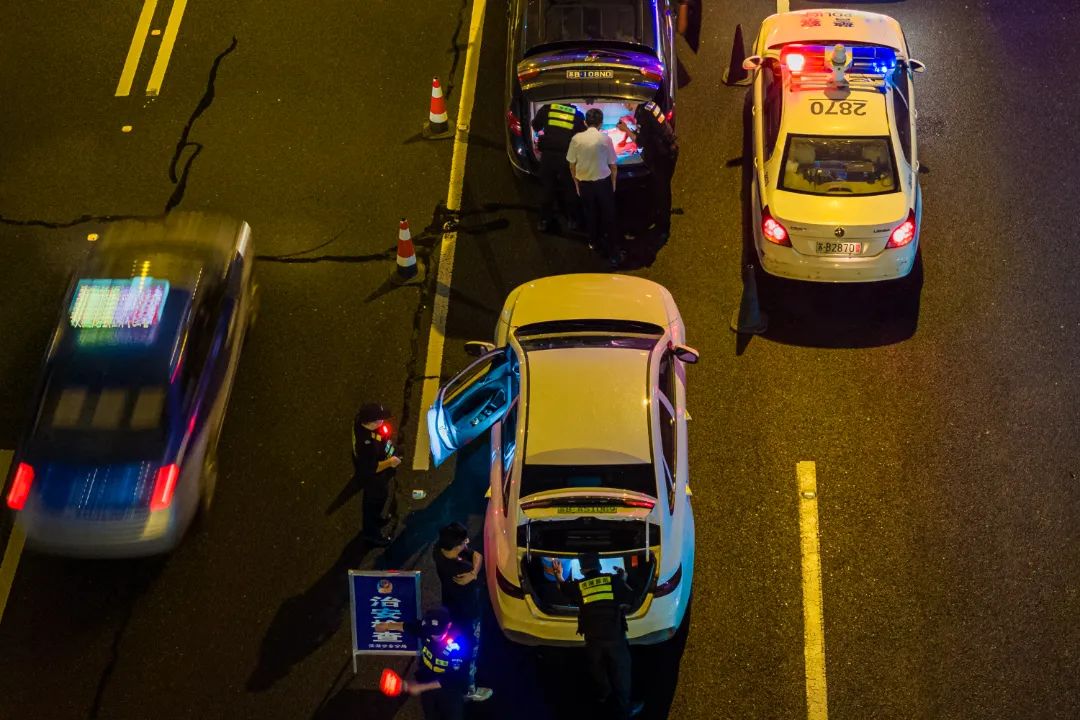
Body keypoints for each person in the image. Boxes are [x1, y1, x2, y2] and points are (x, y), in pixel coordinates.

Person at [553, 554, 643, 719]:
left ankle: (604, 697)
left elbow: (563, 588)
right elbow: (633, 599)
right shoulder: (613, 581)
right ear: (600, 566)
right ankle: (625, 707)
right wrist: (623, 578)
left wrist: (558, 575)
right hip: (614, 638)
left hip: (592, 639)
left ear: (582, 570)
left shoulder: (579, 586)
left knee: (597, 669)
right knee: (621, 670)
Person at [375, 607, 493, 720]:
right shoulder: (427, 629)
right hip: (426, 677)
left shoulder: (459, 645)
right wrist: (387, 626)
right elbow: (408, 627)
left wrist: (419, 687)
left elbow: (452, 678)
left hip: (449, 688)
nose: (434, 636)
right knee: (430, 715)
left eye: (438, 633)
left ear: (449, 626)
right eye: (431, 632)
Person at [433, 522, 486, 701]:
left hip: (450, 608)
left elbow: (476, 555)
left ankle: (449, 670)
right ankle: (468, 688)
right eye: (464, 542)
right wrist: (473, 573)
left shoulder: (438, 550)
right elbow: (478, 557)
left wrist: (473, 572)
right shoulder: (462, 570)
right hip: (468, 616)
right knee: (470, 652)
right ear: (456, 547)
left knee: (451, 645)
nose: (467, 543)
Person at [567, 108, 624, 267]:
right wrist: (613, 184)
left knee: (590, 213)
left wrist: (576, 184)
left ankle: (593, 241)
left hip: (585, 183)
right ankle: (613, 251)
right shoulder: (605, 139)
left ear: (585, 123)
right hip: (603, 183)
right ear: (601, 124)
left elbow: (572, 165)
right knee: (609, 215)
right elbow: (613, 165)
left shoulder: (576, 139)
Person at [617, 101, 679, 239]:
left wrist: (626, 129)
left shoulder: (642, 114)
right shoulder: (649, 105)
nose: (624, 106)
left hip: (662, 156)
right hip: (669, 149)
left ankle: (664, 226)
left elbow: (640, 142)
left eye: (625, 103)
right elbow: (650, 131)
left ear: (630, 101)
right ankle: (660, 214)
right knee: (660, 188)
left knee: (662, 191)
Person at [531, 102, 586, 234]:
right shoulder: (577, 114)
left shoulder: (547, 109)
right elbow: (582, 135)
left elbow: (535, 126)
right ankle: (572, 220)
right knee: (570, 188)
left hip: (548, 155)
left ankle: (544, 220)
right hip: (567, 157)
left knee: (547, 188)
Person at [352, 403, 401, 546]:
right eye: (380, 420)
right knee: (373, 503)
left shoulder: (360, 421)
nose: (383, 421)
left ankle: (376, 519)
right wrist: (391, 462)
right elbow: (372, 468)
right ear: (371, 423)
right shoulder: (366, 444)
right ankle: (371, 534)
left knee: (376, 503)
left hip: (375, 475)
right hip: (373, 480)